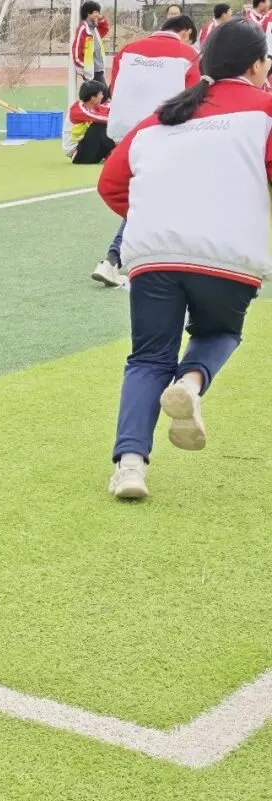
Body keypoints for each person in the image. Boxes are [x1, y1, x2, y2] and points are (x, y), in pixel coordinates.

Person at [97, 19, 272, 500]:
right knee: (220, 332)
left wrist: (162, 213)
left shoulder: (159, 119)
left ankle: (129, 467)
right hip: (226, 256)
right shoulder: (266, 109)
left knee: (147, 359)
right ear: (258, 66)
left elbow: (111, 185)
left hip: (153, 254)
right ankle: (191, 385)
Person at [91, 15, 200, 287]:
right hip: (165, 132)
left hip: (125, 134)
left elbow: (115, 89)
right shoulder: (189, 55)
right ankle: (114, 258)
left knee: (146, 194)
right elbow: (195, 97)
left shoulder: (127, 50)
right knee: (156, 197)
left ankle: (117, 259)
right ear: (186, 32)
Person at [65, 80, 113, 164]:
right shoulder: (77, 109)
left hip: (89, 148)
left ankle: (114, 155)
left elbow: (108, 108)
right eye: (100, 94)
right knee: (100, 126)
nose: (102, 96)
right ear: (93, 98)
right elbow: (102, 118)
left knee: (111, 127)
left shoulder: (95, 107)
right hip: (76, 152)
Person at [72, 2, 112, 97]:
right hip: (91, 71)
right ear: (88, 13)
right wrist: (85, 68)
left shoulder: (94, 29)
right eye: (96, 12)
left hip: (98, 70)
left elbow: (105, 28)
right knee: (104, 96)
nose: (98, 14)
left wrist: (101, 18)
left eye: (99, 12)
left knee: (102, 96)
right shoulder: (83, 29)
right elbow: (77, 52)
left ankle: (94, 109)